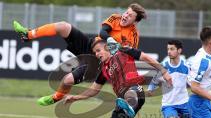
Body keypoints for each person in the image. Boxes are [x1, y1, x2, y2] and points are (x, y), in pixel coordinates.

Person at [13, 3, 147, 106]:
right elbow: (103, 31)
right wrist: (111, 40)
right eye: (126, 12)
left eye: (130, 16)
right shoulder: (116, 17)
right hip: (91, 45)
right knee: (63, 26)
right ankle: (28, 35)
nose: (125, 16)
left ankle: (56, 97)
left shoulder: (133, 36)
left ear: (135, 22)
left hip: (99, 62)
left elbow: (124, 56)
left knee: (67, 80)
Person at [64, 39, 172, 118]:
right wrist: (75, 97)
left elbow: (146, 58)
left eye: (99, 50)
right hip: (122, 100)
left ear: (107, 48)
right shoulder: (103, 70)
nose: (97, 54)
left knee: (130, 93)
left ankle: (129, 104)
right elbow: (94, 90)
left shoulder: (123, 50)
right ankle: (127, 106)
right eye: (95, 52)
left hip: (136, 90)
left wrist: (164, 71)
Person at [147, 40, 211, 118]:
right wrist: (150, 90)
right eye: (168, 49)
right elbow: (153, 82)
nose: (169, 51)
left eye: (172, 49)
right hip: (169, 105)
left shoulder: (186, 66)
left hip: (185, 104)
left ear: (179, 51)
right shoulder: (163, 67)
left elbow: (194, 83)